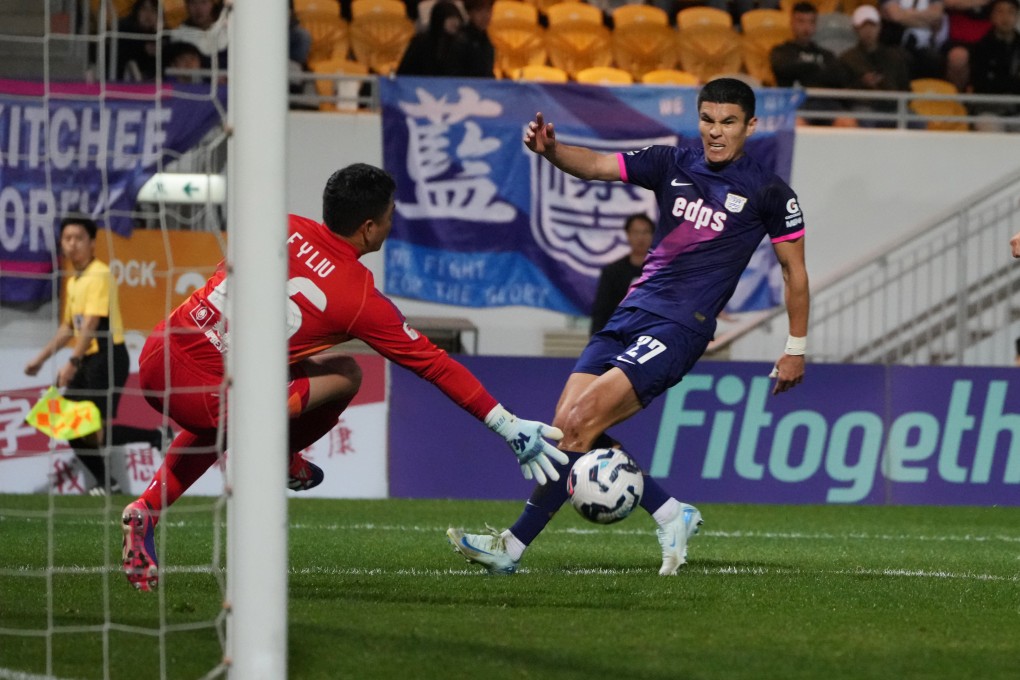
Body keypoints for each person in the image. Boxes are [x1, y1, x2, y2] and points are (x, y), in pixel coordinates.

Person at [120, 163, 567, 592]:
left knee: (245, 390)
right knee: (346, 374)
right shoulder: (357, 296)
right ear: (369, 227)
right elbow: (432, 363)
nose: (392, 224)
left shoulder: (280, 222)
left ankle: (147, 510)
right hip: (204, 394)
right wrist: (508, 425)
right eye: (390, 216)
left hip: (159, 353)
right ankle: (279, 450)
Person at [447, 78, 810, 577]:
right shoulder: (671, 163)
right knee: (566, 430)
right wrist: (552, 151)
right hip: (630, 313)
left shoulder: (768, 192)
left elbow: (795, 272)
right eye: (707, 119)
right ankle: (669, 512)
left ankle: (510, 548)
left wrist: (795, 347)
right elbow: (597, 165)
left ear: (751, 125)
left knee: (577, 425)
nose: (715, 132)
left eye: (728, 122)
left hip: (681, 326)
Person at [24, 217, 170, 496]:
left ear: (92, 243)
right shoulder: (74, 280)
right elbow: (68, 327)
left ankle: (150, 440)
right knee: (68, 424)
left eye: (79, 238)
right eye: (67, 238)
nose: (72, 243)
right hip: (90, 361)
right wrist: (40, 359)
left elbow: (90, 324)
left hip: (107, 358)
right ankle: (110, 481)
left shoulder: (98, 274)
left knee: (93, 431)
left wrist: (72, 362)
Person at [769, 1, 854, 126]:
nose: (806, 27)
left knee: (847, 123)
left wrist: (804, 70)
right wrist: (817, 69)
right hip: (796, 102)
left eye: (811, 22)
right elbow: (782, 69)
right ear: (791, 23)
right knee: (797, 124)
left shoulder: (827, 54)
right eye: (801, 21)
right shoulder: (781, 51)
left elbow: (838, 77)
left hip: (827, 103)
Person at [839, 5, 913, 127]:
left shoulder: (895, 57)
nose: (868, 30)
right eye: (863, 26)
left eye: (872, 25)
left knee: (916, 121)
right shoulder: (846, 58)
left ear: (879, 27)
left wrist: (892, 94)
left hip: (892, 107)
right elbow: (842, 93)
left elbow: (906, 89)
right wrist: (862, 84)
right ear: (855, 29)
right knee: (865, 117)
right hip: (863, 106)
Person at [589, 213, 654, 336]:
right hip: (619, 335)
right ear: (627, 235)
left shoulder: (662, 271)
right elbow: (601, 311)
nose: (641, 237)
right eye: (635, 232)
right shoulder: (612, 272)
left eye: (646, 232)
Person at [968, 0, 1020, 130]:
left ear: (1017, 16)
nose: (1005, 17)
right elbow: (980, 84)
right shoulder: (981, 47)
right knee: (988, 127)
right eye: (1000, 12)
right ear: (992, 16)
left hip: (1016, 108)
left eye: (1011, 12)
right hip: (988, 109)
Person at [879, 0, 950, 79]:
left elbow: (936, 16)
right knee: (899, 58)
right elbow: (896, 16)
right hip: (897, 43)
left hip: (925, 46)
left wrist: (906, 14)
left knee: (934, 60)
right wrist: (926, 20)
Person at [397, 0, 467, 76]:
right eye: (450, 19)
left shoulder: (462, 43)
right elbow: (405, 70)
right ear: (440, 19)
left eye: (457, 19)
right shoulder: (421, 42)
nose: (455, 23)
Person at [169, 0, 229, 72]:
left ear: (213, 4)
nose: (198, 8)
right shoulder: (178, 35)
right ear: (186, 5)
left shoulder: (227, 28)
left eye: (204, 2)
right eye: (193, 3)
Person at [112, 0, 163, 81]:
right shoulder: (124, 29)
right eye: (144, 9)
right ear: (136, 12)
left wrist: (158, 35)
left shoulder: (163, 35)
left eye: (153, 10)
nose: (148, 14)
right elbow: (122, 55)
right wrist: (143, 48)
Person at [455, 0, 496, 78]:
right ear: (469, 13)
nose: (485, 16)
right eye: (479, 11)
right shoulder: (461, 40)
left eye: (488, 10)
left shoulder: (486, 38)